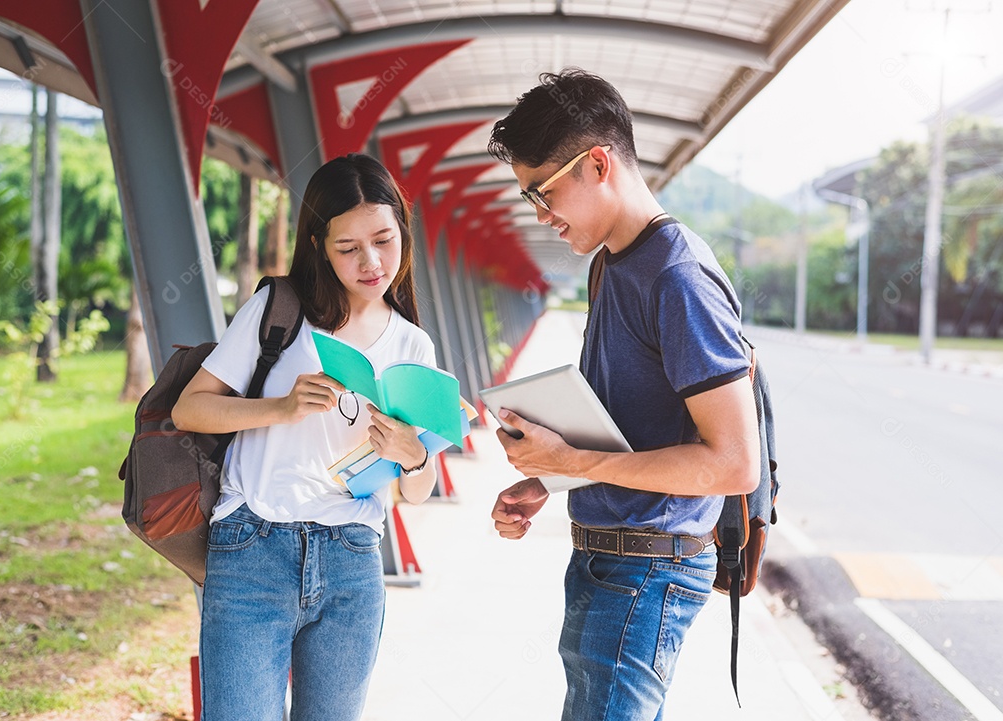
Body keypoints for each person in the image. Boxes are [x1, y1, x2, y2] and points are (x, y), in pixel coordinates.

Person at [486, 69, 760, 721]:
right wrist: (551, 475)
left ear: (598, 163)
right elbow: (627, 425)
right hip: (608, 562)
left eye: (543, 191)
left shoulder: (678, 277)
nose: (539, 214)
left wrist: (576, 465)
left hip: (646, 573)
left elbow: (734, 463)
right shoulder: (609, 263)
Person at [172, 153, 439, 721]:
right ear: (317, 243)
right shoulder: (280, 309)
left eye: (384, 240)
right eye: (349, 248)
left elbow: (416, 493)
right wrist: (281, 407)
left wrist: (411, 456)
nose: (372, 262)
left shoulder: (413, 346)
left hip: (352, 557)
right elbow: (190, 409)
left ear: (403, 232)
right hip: (252, 547)